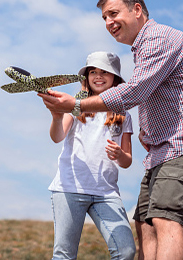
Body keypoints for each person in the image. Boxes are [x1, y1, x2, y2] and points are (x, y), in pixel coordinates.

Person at [38, 0, 183, 260]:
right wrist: (148, 131)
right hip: (163, 151)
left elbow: (134, 92)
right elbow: (155, 94)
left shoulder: (157, 38)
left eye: (114, 13)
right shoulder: (142, 48)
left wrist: (76, 104)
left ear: (137, 10)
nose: (108, 22)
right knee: (145, 221)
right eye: (104, 17)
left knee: (165, 218)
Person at [41, 51, 136, 260]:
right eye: (93, 71)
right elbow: (57, 137)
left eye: (104, 72)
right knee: (64, 254)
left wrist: (119, 154)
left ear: (115, 78)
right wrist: (57, 117)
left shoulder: (124, 114)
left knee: (126, 251)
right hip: (69, 189)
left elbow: (127, 160)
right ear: (86, 77)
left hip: (106, 193)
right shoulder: (74, 106)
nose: (98, 76)